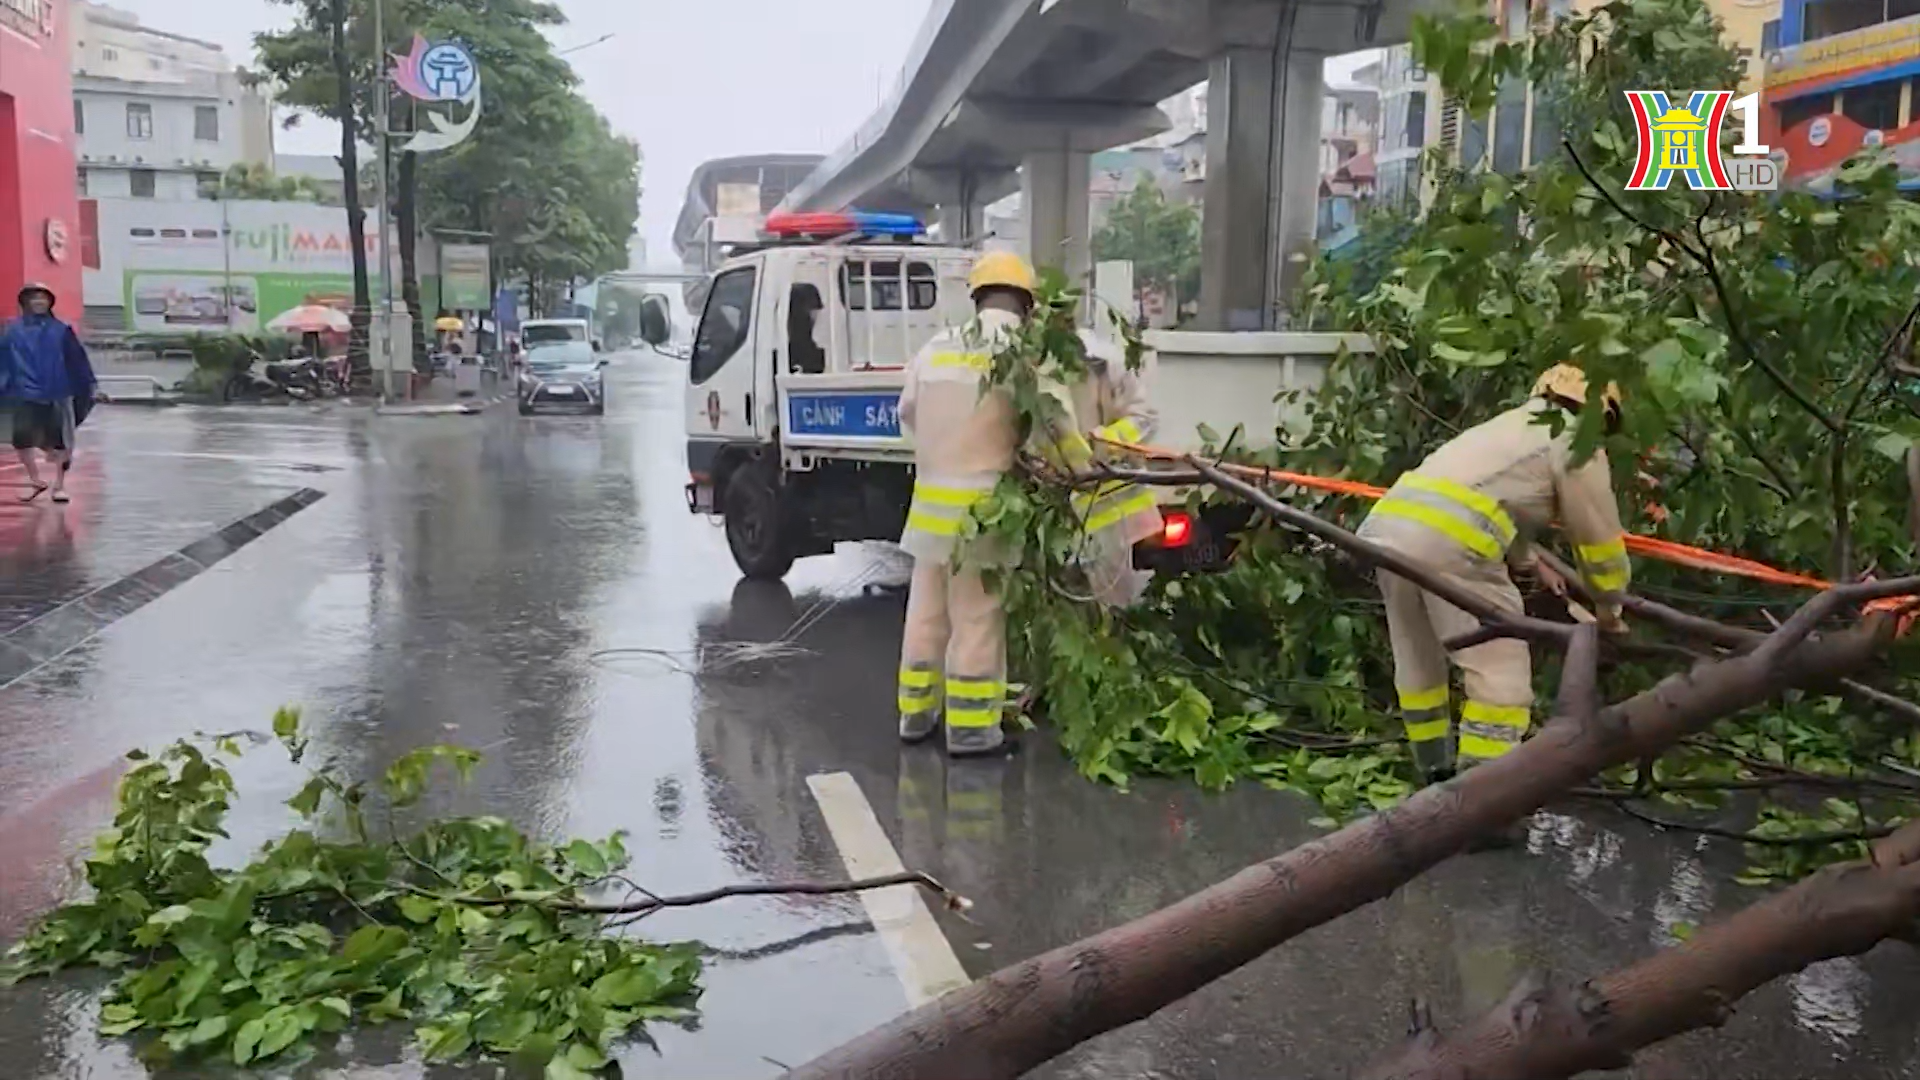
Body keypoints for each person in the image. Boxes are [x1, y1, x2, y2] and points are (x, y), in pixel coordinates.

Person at [1357, 364, 1631, 793]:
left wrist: (1528, 560)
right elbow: (1598, 545)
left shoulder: (1509, 426)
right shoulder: (1578, 441)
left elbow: (1484, 496)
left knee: (1418, 659)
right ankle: (1479, 803)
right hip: (1448, 544)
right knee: (1500, 674)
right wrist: (1611, 613)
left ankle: (1434, 778)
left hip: (1386, 533)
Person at [894, 252, 1042, 758]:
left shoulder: (936, 347)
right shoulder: (1023, 353)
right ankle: (973, 731)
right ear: (1026, 304)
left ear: (977, 297)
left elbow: (908, 411)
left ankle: (916, 716)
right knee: (978, 619)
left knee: (927, 614)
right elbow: (1048, 429)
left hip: (930, 510)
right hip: (985, 513)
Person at [1068, 330, 1162, 608]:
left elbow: (1145, 417)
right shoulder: (1024, 367)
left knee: (1113, 608)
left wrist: (1109, 442)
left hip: (1111, 513)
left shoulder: (1106, 363)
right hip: (1056, 512)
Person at [0, 283, 96, 505]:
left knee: (60, 440)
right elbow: (3, 359)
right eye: (34, 298)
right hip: (24, 391)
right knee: (22, 437)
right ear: (25, 302)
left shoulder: (61, 330)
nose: (39, 302)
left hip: (57, 390)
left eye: (43, 299)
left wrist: (90, 386)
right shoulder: (12, 330)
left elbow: (77, 360)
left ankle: (59, 485)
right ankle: (35, 480)